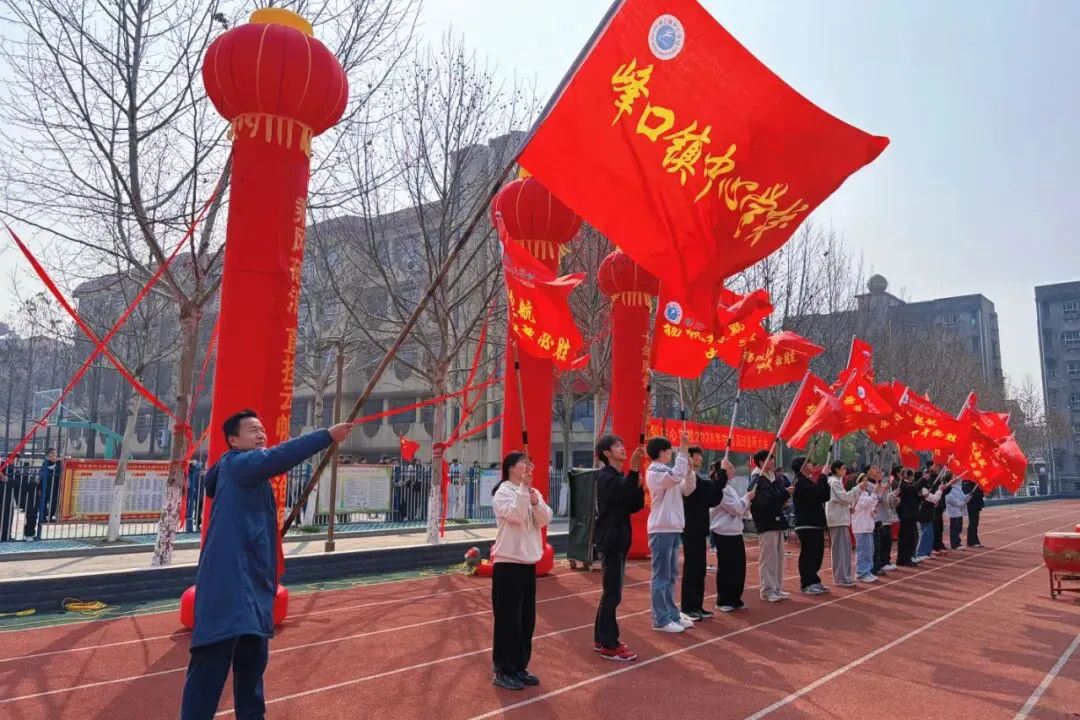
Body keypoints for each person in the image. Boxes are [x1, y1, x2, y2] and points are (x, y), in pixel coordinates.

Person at [180, 410, 353, 719]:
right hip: (227, 583)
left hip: (253, 583)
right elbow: (279, 456)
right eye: (252, 430)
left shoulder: (250, 476)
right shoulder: (238, 465)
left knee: (252, 667)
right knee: (211, 665)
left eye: (262, 429)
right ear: (233, 441)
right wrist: (326, 436)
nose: (261, 434)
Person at [489, 450, 553, 690]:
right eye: (523, 462)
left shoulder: (532, 492)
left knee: (526, 620)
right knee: (508, 620)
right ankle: (503, 670)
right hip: (508, 563)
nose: (528, 465)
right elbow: (515, 515)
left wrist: (535, 500)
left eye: (529, 462)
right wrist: (524, 491)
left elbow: (546, 518)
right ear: (510, 467)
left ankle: (519, 666)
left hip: (527, 563)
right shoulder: (503, 492)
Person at [592, 435, 646, 662]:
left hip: (620, 538)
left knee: (612, 592)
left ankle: (601, 638)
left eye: (622, 444)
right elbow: (620, 493)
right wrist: (633, 470)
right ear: (606, 453)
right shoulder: (605, 477)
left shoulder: (619, 477)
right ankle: (609, 643)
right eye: (616, 446)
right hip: (611, 539)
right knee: (612, 593)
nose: (622, 448)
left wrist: (638, 487)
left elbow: (633, 505)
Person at [645, 432, 694, 633]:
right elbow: (675, 477)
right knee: (662, 576)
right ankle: (661, 619)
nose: (671, 453)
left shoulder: (667, 471)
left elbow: (686, 489)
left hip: (672, 528)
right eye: (669, 450)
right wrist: (683, 452)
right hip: (661, 528)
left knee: (671, 575)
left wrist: (689, 472)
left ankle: (672, 614)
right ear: (661, 452)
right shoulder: (654, 471)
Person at [681, 446, 723, 620]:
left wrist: (720, 480)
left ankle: (697, 605)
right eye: (696, 455)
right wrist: (720, 477)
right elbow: (701, 488)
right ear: (688, 458)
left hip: (700, 529)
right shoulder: (686, 479)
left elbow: (712, 499)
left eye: (700, 455)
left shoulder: (699, 479)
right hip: (690, 528)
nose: (699, 458)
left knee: (700, 569)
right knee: (692, 568)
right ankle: (687, 607)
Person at [749, 449, 792, 602]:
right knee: (768, 559)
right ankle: (767, 591)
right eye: (770, 459)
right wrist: (784, 493)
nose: (773, 462)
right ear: (761, 462)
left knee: (778, 558)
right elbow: (765, 503)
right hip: (766, 523)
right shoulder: (758, 480)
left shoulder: (772, 478)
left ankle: (776, 588)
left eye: (773, 459)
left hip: (776, 522)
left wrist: (784, 497)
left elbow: (776, 499)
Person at [709, 456, 750, 611]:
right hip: (723, 532)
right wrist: (746, 499)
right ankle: (724, 600)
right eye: (729, 467)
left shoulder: (730, 488)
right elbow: (735, 508)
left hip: (736, 532)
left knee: (739, 567)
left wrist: (745, 503)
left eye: (732, 467)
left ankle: (735, 598)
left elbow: (740, 509)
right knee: (726, 567)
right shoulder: (720, 489)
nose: (733, 470)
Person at [792, 456, 831, 595]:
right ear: (802, 466)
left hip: (815, 523)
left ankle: (814, 580)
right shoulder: (800, 482)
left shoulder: (808, 481)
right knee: (809, 554)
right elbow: (817, 493)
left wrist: (824, 478)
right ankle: (807, 583)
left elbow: (824, 496)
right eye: (809, 463)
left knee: (817, 554)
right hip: (806, 523)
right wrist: (823, 476)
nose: (812, 465)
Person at [826, 460, 859, 588]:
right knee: (840, 550)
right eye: (843, 468)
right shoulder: (834, 482)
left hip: (840, 519)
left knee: (845, 550)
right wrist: (857, 488)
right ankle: (840, 578)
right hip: (837, 520)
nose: (845, 470)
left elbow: (841, 500)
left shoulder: (837, 482)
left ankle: (845, 576)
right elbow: (844, 498)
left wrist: (848, 507)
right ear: (836, 469)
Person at [851, 472, 881, 583]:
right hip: (860, 526)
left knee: (869, 551)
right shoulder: (856, 493)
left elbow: (870, 505)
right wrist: (875, 493)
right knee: (862, 551)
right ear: (858, 482)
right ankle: (861, 573)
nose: (866, 482)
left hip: (867, 526)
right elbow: (866, 503)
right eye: (863, 480)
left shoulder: (865, 493)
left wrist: (873, 510)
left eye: (866, 480)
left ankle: (867, 571)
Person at [874, 468, 900, 573]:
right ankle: (882, 562)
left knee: (888, 542)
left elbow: (890, 504)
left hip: (887, 519)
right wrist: (887, 494)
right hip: (881, 520)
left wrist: (894, 498)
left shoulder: (885, 489)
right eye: (880, 473)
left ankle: (886, 561)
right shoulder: (877, 488)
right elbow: (883, 502)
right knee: (883, 543)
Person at [916, 468, 944, 561]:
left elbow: (933, 499)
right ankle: (921, 552)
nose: (928, 475)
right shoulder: (922, 488)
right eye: (926, 473)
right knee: (925, 534)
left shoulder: (926, 486)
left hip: (928, 512)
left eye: (928, 473)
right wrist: (940, 490)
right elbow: (934, 499)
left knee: (930, 534)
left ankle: (927, 551)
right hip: (924, 513)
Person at [945, 478, 971, 550]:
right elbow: (950, 499)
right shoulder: (948, 488)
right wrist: (960, 503)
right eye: (954, 478)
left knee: (959, 528)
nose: (957, 479)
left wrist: (969, 495)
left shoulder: (958, 487)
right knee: (954, 528)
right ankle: (954, 544)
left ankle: (958, 542)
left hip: (960, 510)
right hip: (954, 511)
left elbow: (963, 498)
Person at [39, 448, 62, 523]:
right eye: (52, 453)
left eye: (55, 452)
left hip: (55, 486)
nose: (54, 454)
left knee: (54, 502)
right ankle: (43, 517)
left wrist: (59, 460)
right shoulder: (46, 462)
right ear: (48, 454)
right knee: (44, 501)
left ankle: (50, 516)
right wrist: (40, 487)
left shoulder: (59, 463)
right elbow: (42, 475)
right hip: (46, 486)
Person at [963, 478, 985, 548]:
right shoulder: (967, 482)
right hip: (972, 505)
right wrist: (975, 491)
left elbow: (980, 493)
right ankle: (971, 542)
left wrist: (981, 490)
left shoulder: (975, 482)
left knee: (975, 523)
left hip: (976, 504)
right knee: (973, 523)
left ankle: (975, 541)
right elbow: (967, 493)